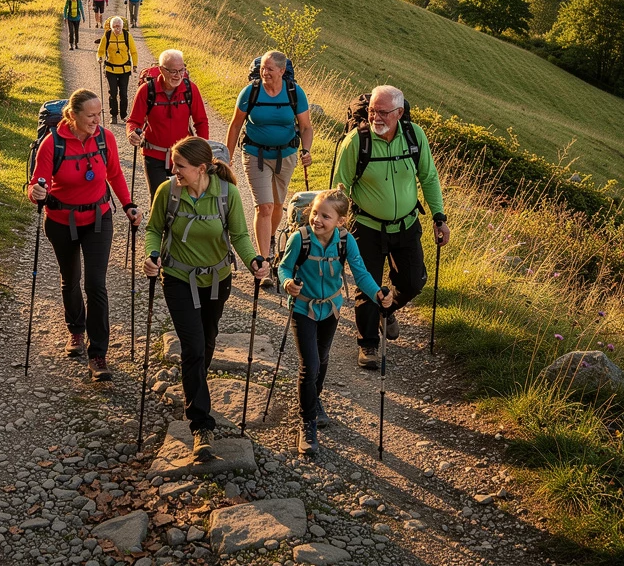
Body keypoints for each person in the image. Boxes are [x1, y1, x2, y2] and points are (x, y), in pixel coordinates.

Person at [143, 137, 269, 460]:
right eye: (174, 165)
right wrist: (152, 255)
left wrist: (254, 260)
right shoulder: (168, 192)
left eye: (180, 166)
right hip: (178, 278)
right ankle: (201, 423)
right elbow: (154, 230)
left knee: (207, 341)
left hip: (216, 281)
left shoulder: (227, 194)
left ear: (201, 169)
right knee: (194, 346)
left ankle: (194, 382)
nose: (174, 171)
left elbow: (239, 235)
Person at [27, 88, 141, 381]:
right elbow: (37, 183)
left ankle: (98, 354)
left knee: (96, 284)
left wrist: (128, 205)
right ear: (73, 115)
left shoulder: (105, 138)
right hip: (61, 220)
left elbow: (114, 174)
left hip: (98, 218)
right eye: (91, 115)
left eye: (99, 114)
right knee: (71, 279)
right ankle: (76, 331)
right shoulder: (52, 144)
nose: (97, 120)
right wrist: (37, 192)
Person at [333, 84, 449, 369]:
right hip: (367, 227)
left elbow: (429, 178)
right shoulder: (355, 142)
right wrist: (336, 224)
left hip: (407, 224)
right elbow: (340, 186)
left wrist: (439, 217)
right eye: (372, 111)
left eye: (383, 112)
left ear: (399, 113)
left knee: (413, 281)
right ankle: (368, 345)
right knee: (366, 284)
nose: (376, 117)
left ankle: (388, 308)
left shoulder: (414, 136)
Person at [278, 186, 393, 457]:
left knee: (323, 358)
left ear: (340, 221)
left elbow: (360, 273)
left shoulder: (345, 241)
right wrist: (287, 283)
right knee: (310, 364)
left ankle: (314, 400)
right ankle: (307, 422)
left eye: (325, 216)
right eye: (315, 213)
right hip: (303, 308)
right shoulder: (300, 238)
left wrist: (377, 294)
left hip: (331, 309)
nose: (317, 220)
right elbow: (284, 266)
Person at [226, 50, 313, 265]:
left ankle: (271, 238)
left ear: (282, 71)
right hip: (256, 154)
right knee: (263, 206)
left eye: (270, 69)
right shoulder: (250, 92)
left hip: (286, 155)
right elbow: (236, 124)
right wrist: (226, 157)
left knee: (276, 205)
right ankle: (263, 260)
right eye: (262, 68)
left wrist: (306, 150)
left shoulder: (294, 92)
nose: (264, 73)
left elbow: (306, 126)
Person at [127, 49, 209, 198]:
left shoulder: (190, 90)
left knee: (185, 198)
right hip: (154, 154)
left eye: (181, 70)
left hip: (184, 155)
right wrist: (132, 132)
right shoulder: (146, 91)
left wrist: (203, 151)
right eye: (173, 71)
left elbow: (201, 122)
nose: (178, 75)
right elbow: (134, 121)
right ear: (161, 70)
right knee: (159, 198)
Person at [97, 16, 137, 125]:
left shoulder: (127, 36)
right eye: (114, 27)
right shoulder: (107, 35)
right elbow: (100, 50)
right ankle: (113, 115)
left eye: (118, 26)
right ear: (111, 27)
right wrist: (99, 58)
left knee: (124, 94)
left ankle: (123, 115)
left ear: (122, 26)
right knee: (113, 93)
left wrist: (135, 65)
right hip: (111, 69)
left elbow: (133, 52)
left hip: (125, 70)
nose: (116, 29)